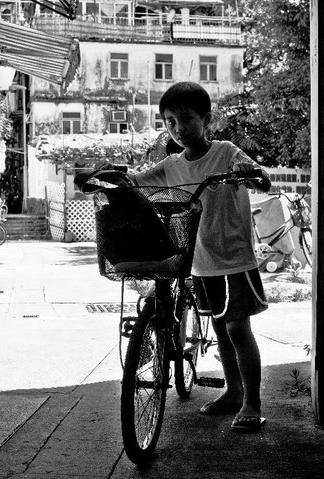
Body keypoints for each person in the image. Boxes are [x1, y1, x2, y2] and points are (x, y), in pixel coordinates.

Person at [127, 81, 272, 432]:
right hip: (201, 262)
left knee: (238, 328)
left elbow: (263, 181)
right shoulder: (171, 164)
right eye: (169, 122)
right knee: (221, 329)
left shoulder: (226, 152)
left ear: (206, 119)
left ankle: (252, 402)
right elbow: (136, 181)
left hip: (235, 259)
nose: (177, 129)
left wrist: (249, 174)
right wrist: (110, 177)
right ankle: (234, 391)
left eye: (186, 119)